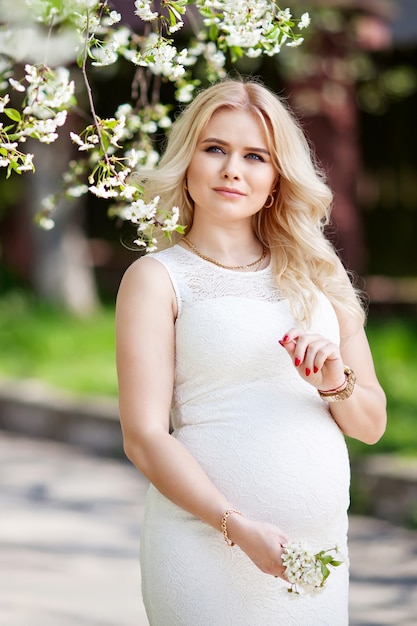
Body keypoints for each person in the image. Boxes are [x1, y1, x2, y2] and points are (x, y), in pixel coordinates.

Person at [115, 78, 386, 626]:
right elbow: (144, 438)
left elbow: (372, 425)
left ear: (277, 176)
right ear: (188, 162)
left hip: (314, 553)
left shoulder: (320, 274)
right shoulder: (156, 279)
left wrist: (337, 382)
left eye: (254, 156)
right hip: (205, 544)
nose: (232, 169)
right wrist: (235, 525)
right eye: (215, 149)